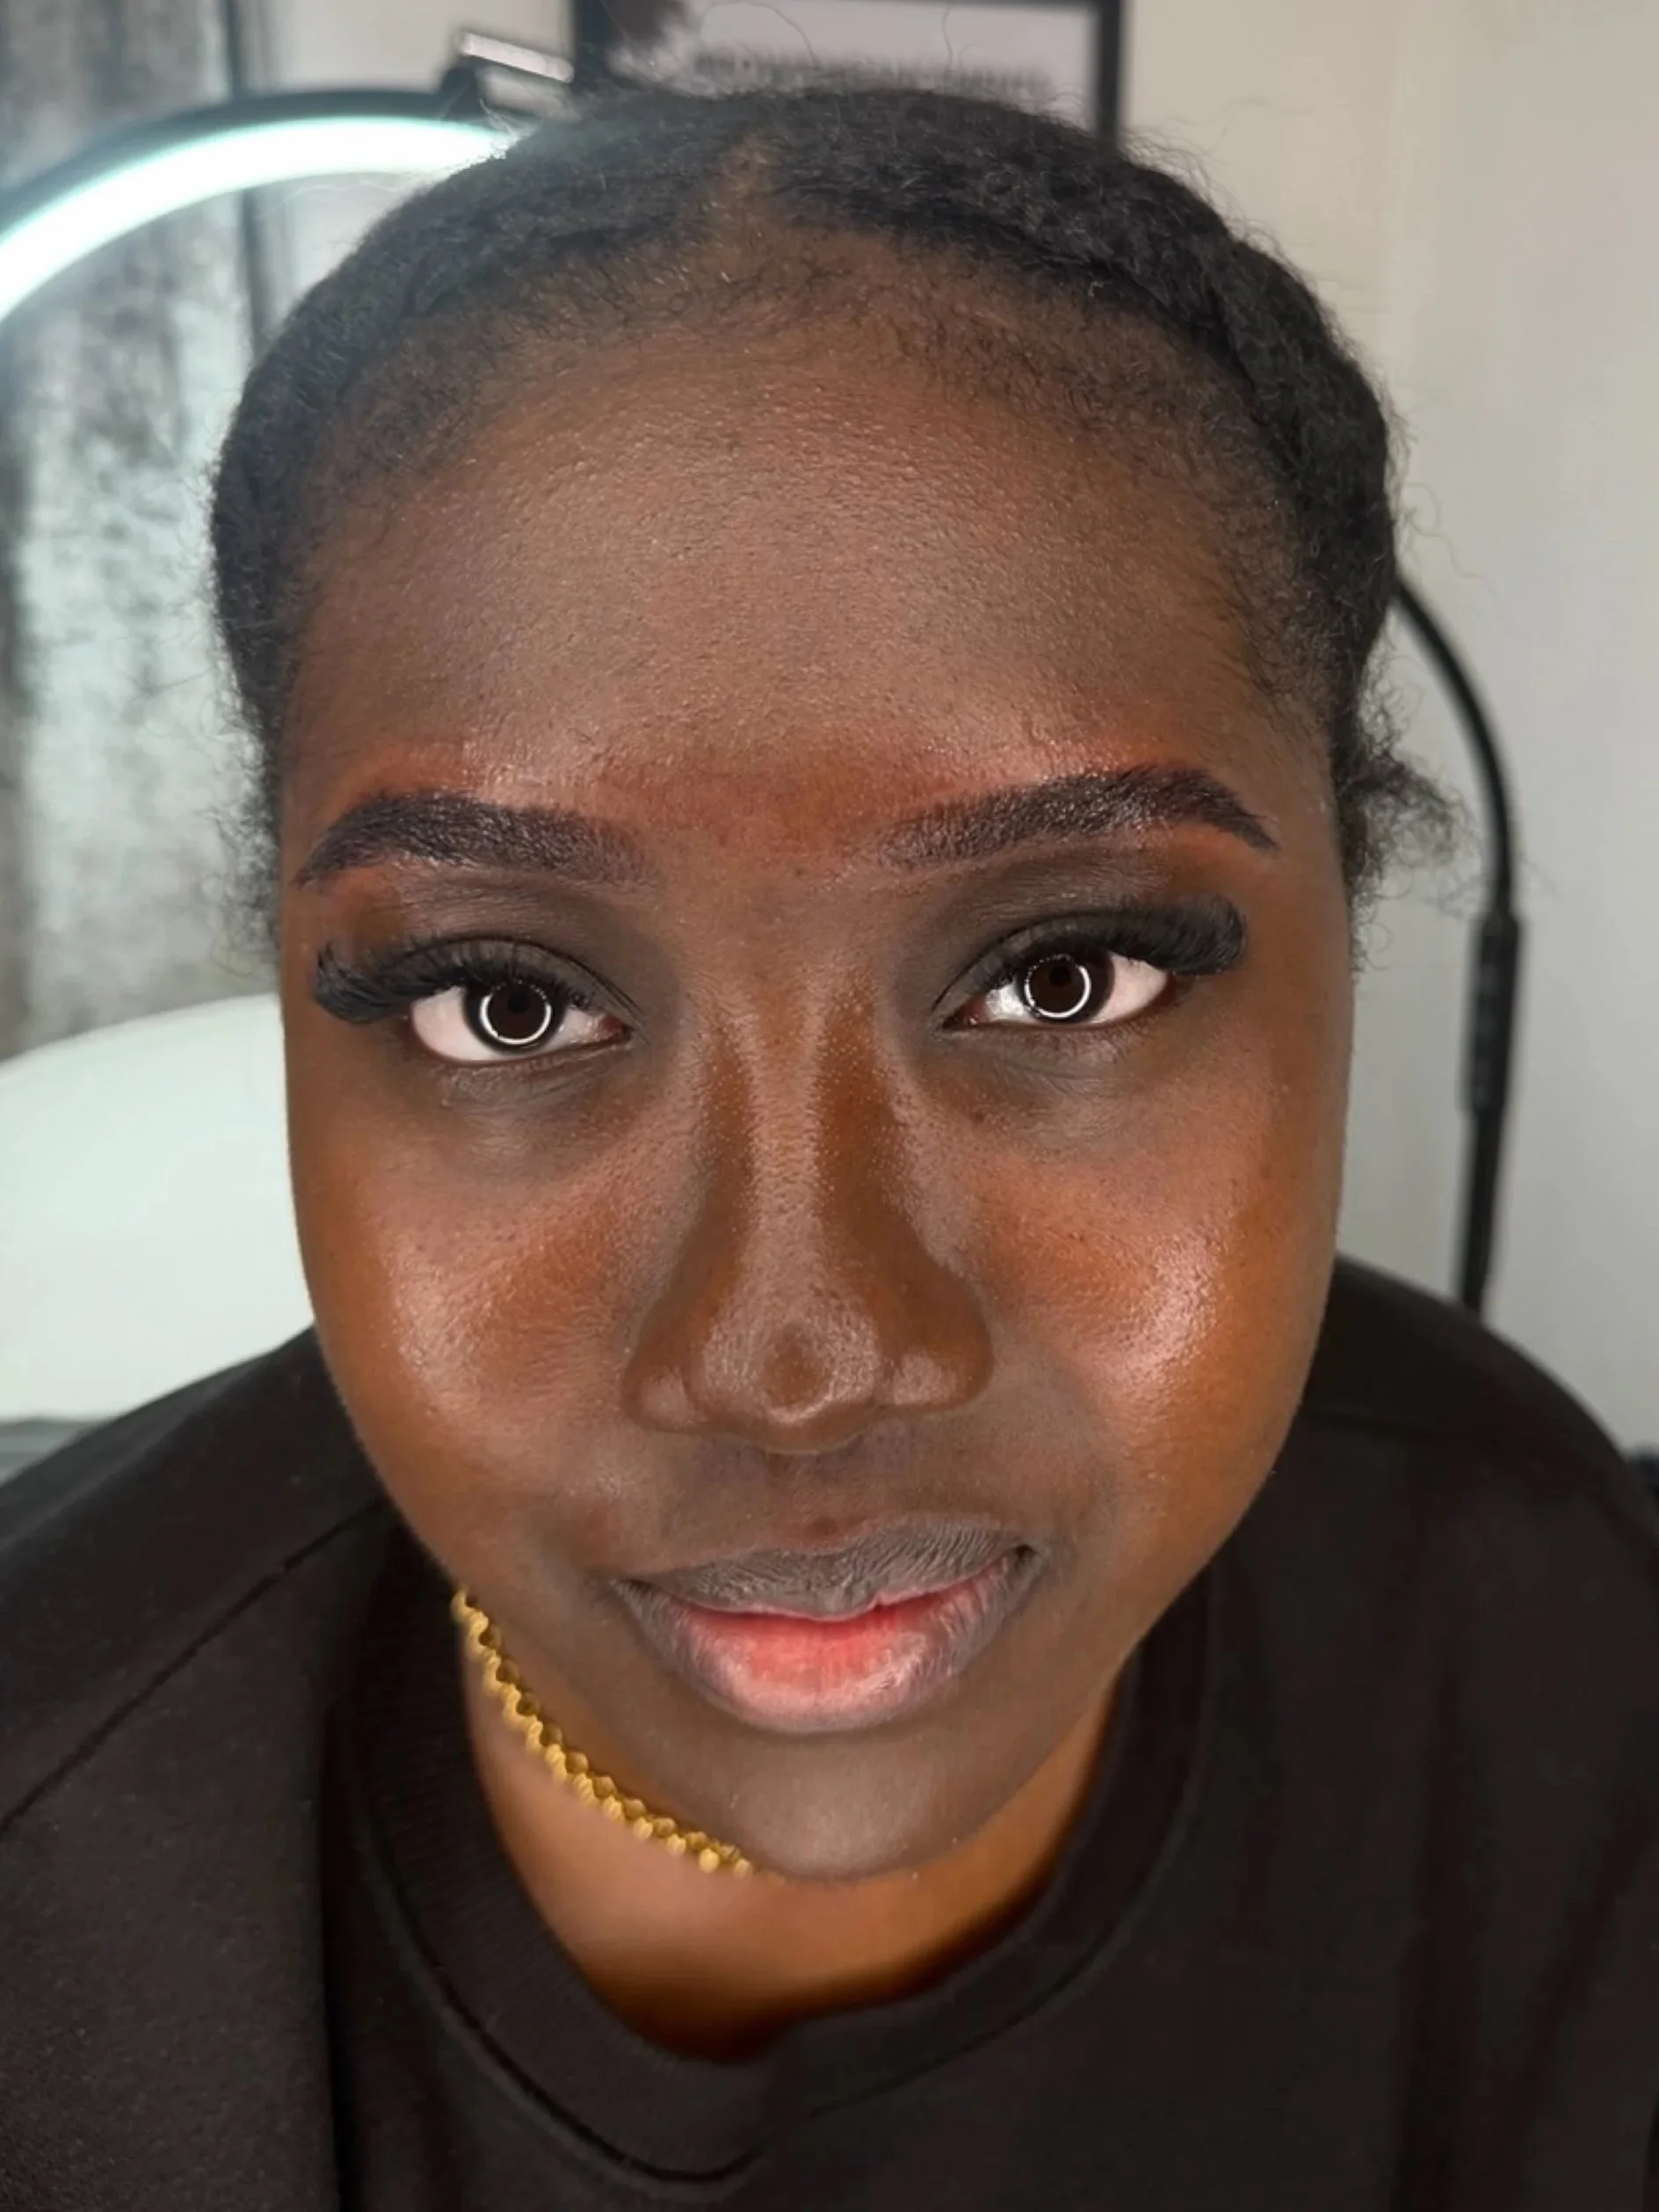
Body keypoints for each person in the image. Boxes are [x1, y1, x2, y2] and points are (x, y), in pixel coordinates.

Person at [2, 82, 1656, 2212]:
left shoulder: (1531, 1641)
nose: (794, 1356)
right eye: (509, 999)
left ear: (1360, 909)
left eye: (1064, 973)